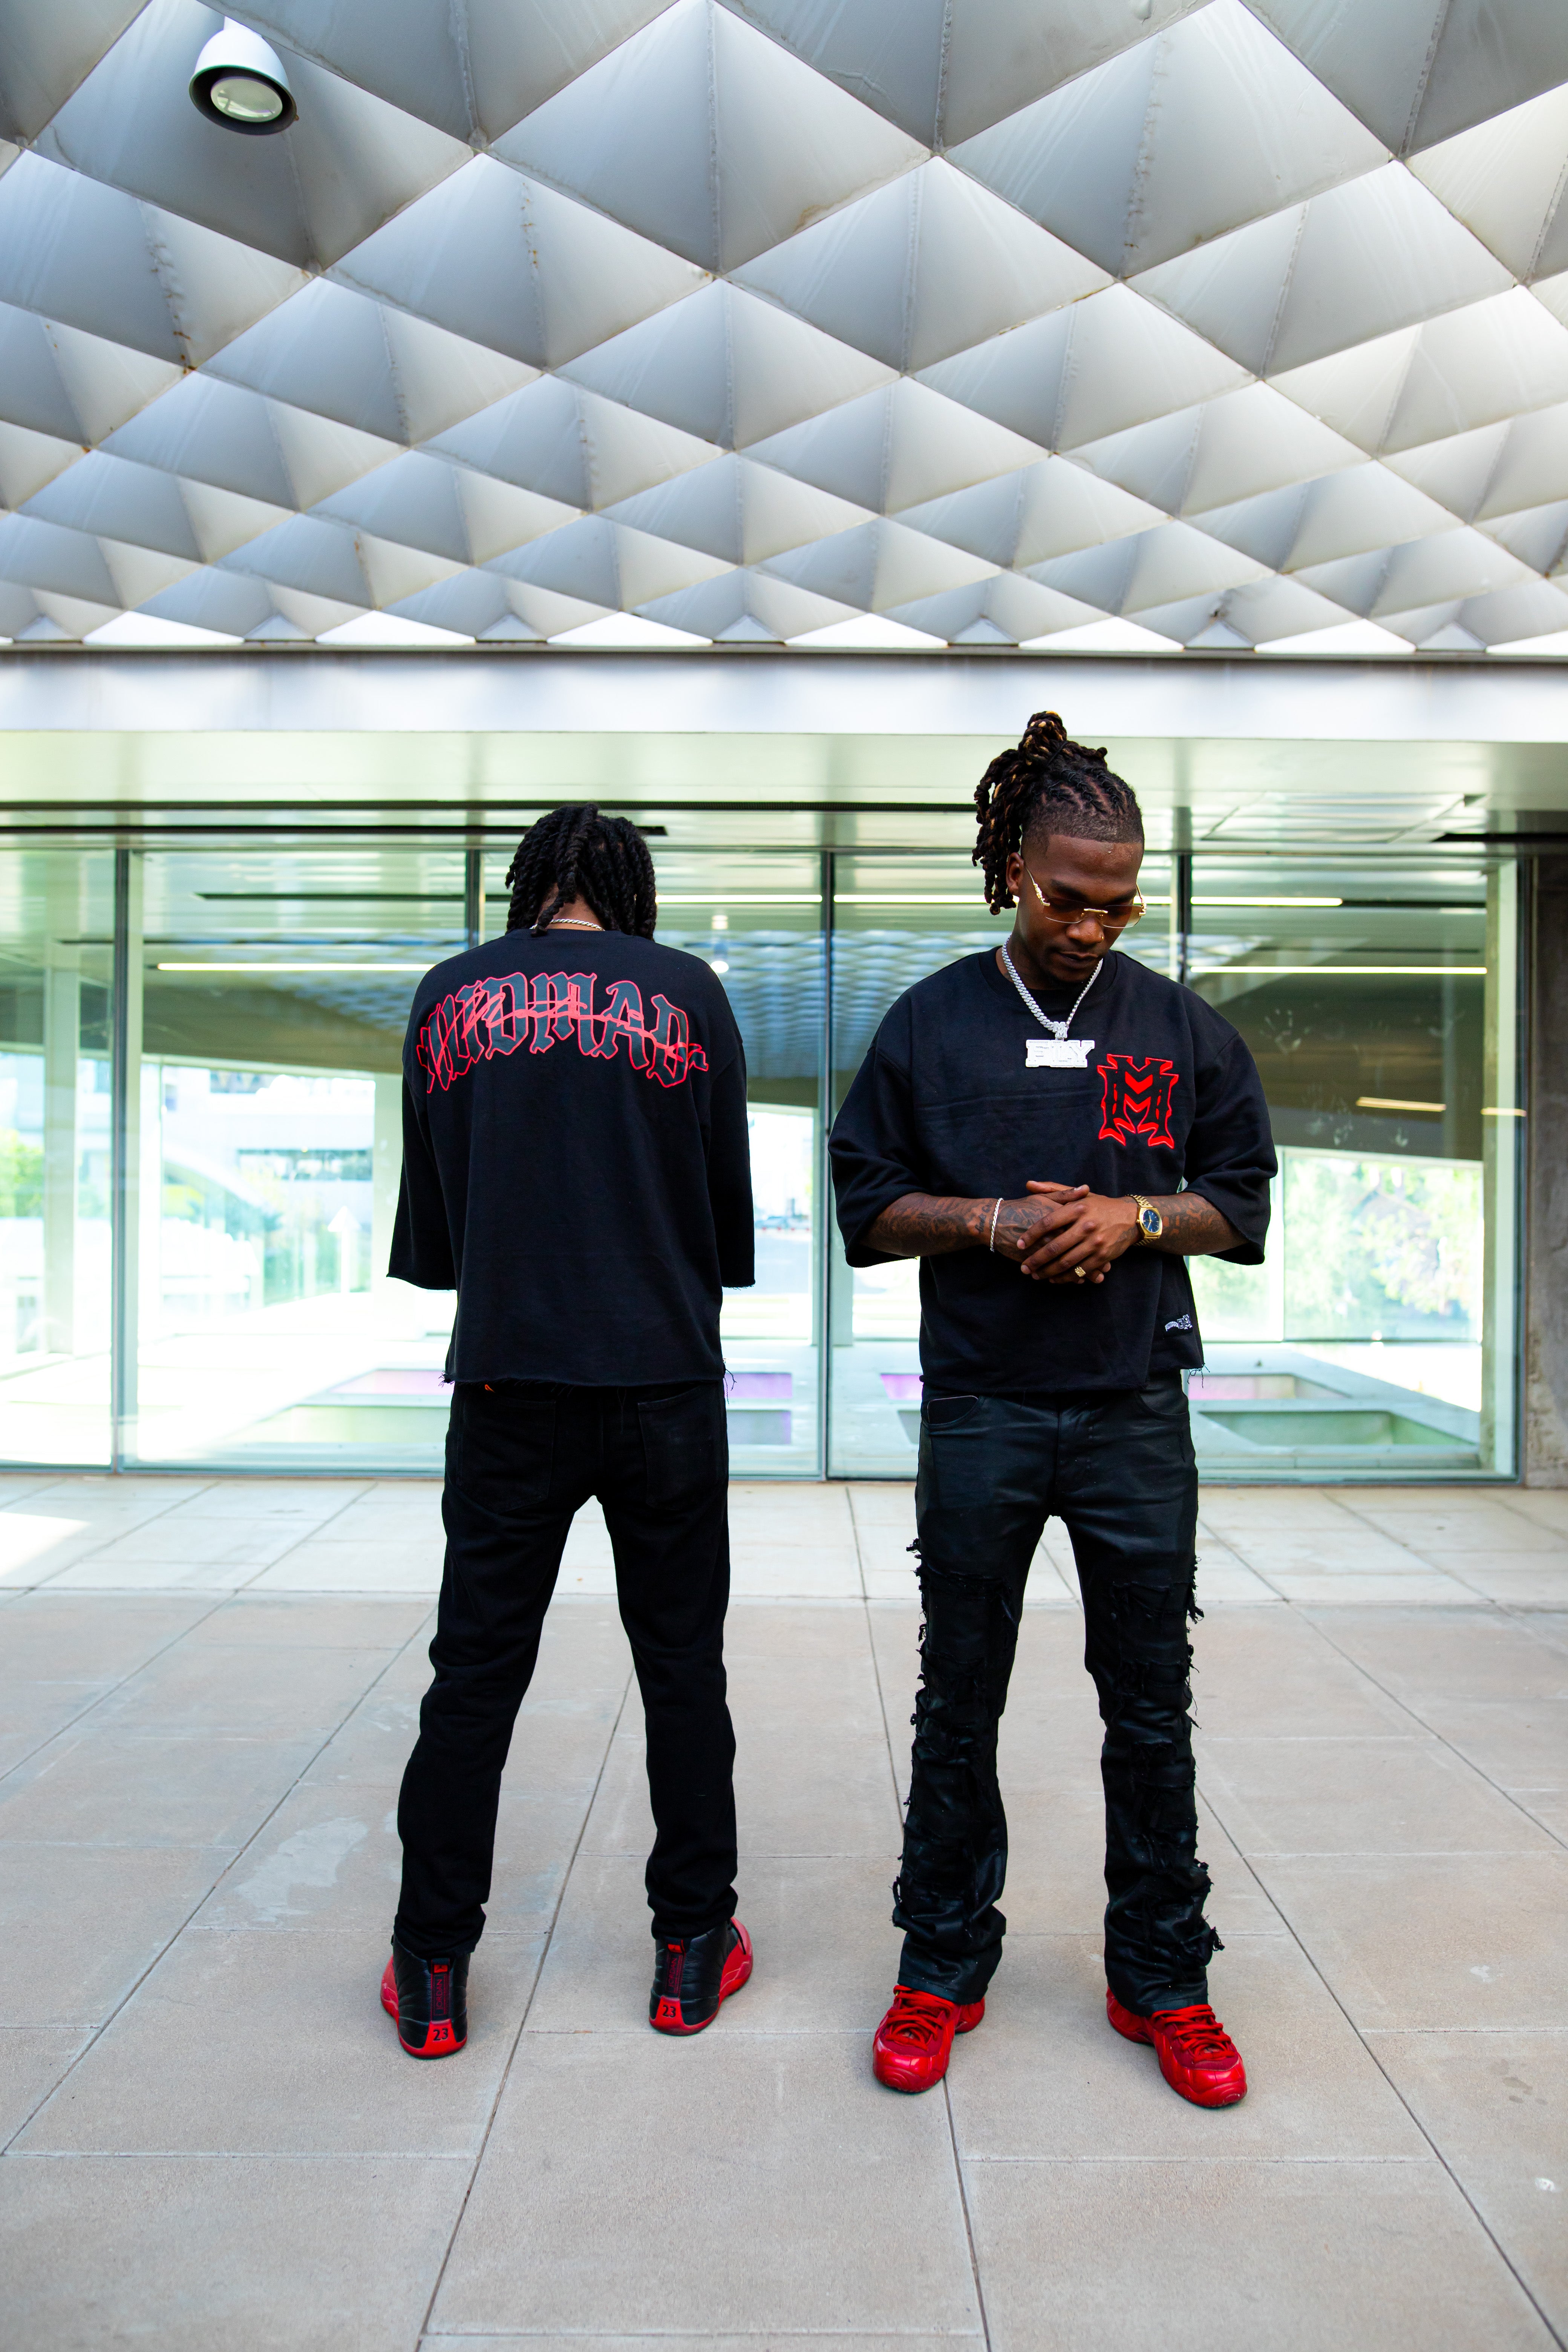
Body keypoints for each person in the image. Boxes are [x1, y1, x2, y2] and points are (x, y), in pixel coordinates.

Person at [829, 712, 1276, 2107]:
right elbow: (864, 1202)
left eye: (1121, 901)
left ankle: (1164, 1980)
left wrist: (1139, 1219)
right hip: (983, 1408)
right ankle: (940, 1964)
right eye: (1070, 898)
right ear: (1012, 871)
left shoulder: (1181, 1027)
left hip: (1134, 1409)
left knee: (1151, 1708)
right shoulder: (932, 1022)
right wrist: (989, 1218)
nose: (1096, 924)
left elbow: (1241, 1199)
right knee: (958, 1699)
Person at [381, 805, 756, 2058]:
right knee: (681, 1672)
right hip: (662, 1383)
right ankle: (690, 1951)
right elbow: (724, 1217)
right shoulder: (687, 993)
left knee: (473, 1683)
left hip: (505, 1390)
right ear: (630, 888)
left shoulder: (448, 1000)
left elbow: (435, 1240)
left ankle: (432, 1970)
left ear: (528, 884)